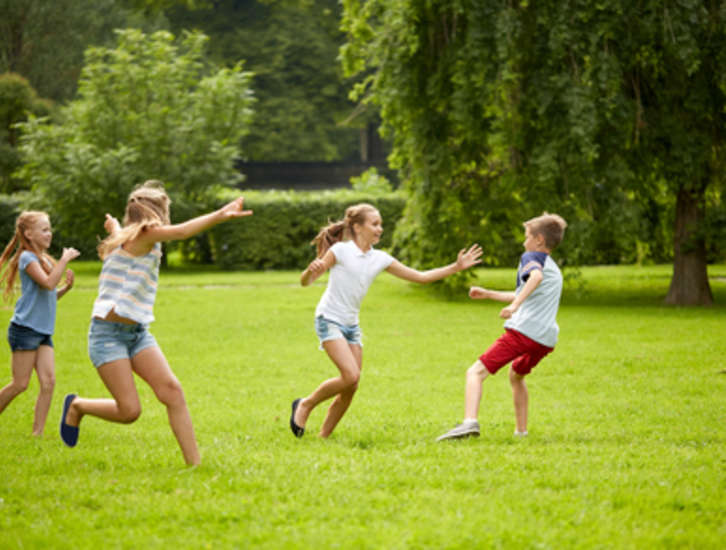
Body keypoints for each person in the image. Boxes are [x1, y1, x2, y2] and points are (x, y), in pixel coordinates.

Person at [59, 180, 252, 466]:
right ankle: (77, 405)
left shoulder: (125, 235)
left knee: (172, 392)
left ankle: (195, 465)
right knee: (129, 411)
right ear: (158, 214)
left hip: (137, 333)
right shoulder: (147, 234)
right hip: (107, 335)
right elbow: (184, 231)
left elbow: (121, 235)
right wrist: (220, 215)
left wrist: (113, 227)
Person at [290, 203, 482, 439]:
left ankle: (323, 437)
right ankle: (306, 405)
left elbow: (420, 277)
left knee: (351, 386)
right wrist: (310, 272)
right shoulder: (340, 251)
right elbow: (305, 282)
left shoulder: (379, 258)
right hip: (329, 318)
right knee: (350, 375)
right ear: (358, 227)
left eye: (381, 224)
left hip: (351, 326)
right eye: (375, 224)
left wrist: (456, 267)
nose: (380, 229)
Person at [437, 213, 567, 441]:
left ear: (538, 240)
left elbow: (533, 278)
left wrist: (515, 305)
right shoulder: (554, 269)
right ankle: (521, 432)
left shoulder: (531, 256)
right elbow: (525, 292)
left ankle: (469, 423)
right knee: (516, 375)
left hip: (524, 332)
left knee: (475, 372)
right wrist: (488, 294)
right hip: (545, 339)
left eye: (526, 236)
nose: (523, 241)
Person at [0, 211, 80, 436]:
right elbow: (47, 283)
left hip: (43, 331)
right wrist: (63, 260)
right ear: (29, 234)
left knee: (48, 382)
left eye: (49, 229)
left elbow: (49, 295)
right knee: (20, 384)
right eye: (44, 230)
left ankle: (38, 434)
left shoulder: (43, 259)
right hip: (25, 330)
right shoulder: (27, 258)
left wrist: (66, 288)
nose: (49, 233)